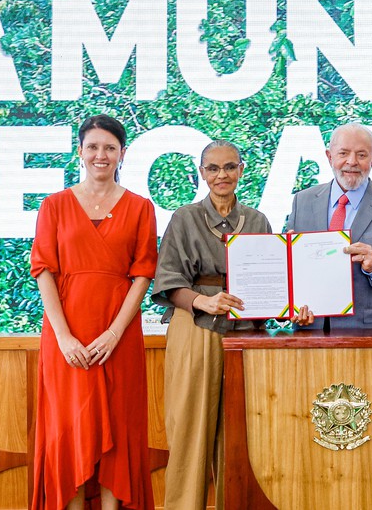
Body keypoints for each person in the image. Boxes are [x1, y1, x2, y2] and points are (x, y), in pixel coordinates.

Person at [30, 115, 157, 510]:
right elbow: (43, 271)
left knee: (119, 429)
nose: (101, 155)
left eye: (110, 148)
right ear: (80, 152)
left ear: (122, 154)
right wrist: (64, 337)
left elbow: (142, 275)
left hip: (118, 336)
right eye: (93, 147)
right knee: (67, 431)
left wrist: (115, 333)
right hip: (65, 337)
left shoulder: (140, 207)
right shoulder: (53, 205)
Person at [152, 140, 272, 510]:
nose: (222, 175)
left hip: (246, 333)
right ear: (202, 173)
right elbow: (167, 281)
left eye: (230, 167)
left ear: (241, 170)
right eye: (213, 168)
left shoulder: (257, 220)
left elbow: (272, 279)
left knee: (243, 433)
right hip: (196, 328)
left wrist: (287, 306)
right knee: (190, 430)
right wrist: (202, 300)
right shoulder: (184, 218)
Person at [287, 123, 372, 328]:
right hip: (310, 327)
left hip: (369, 331)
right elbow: (291, 272)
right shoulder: (302, 201)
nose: (352, 162)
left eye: (362, 155)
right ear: (329, 157)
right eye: (343, 153)